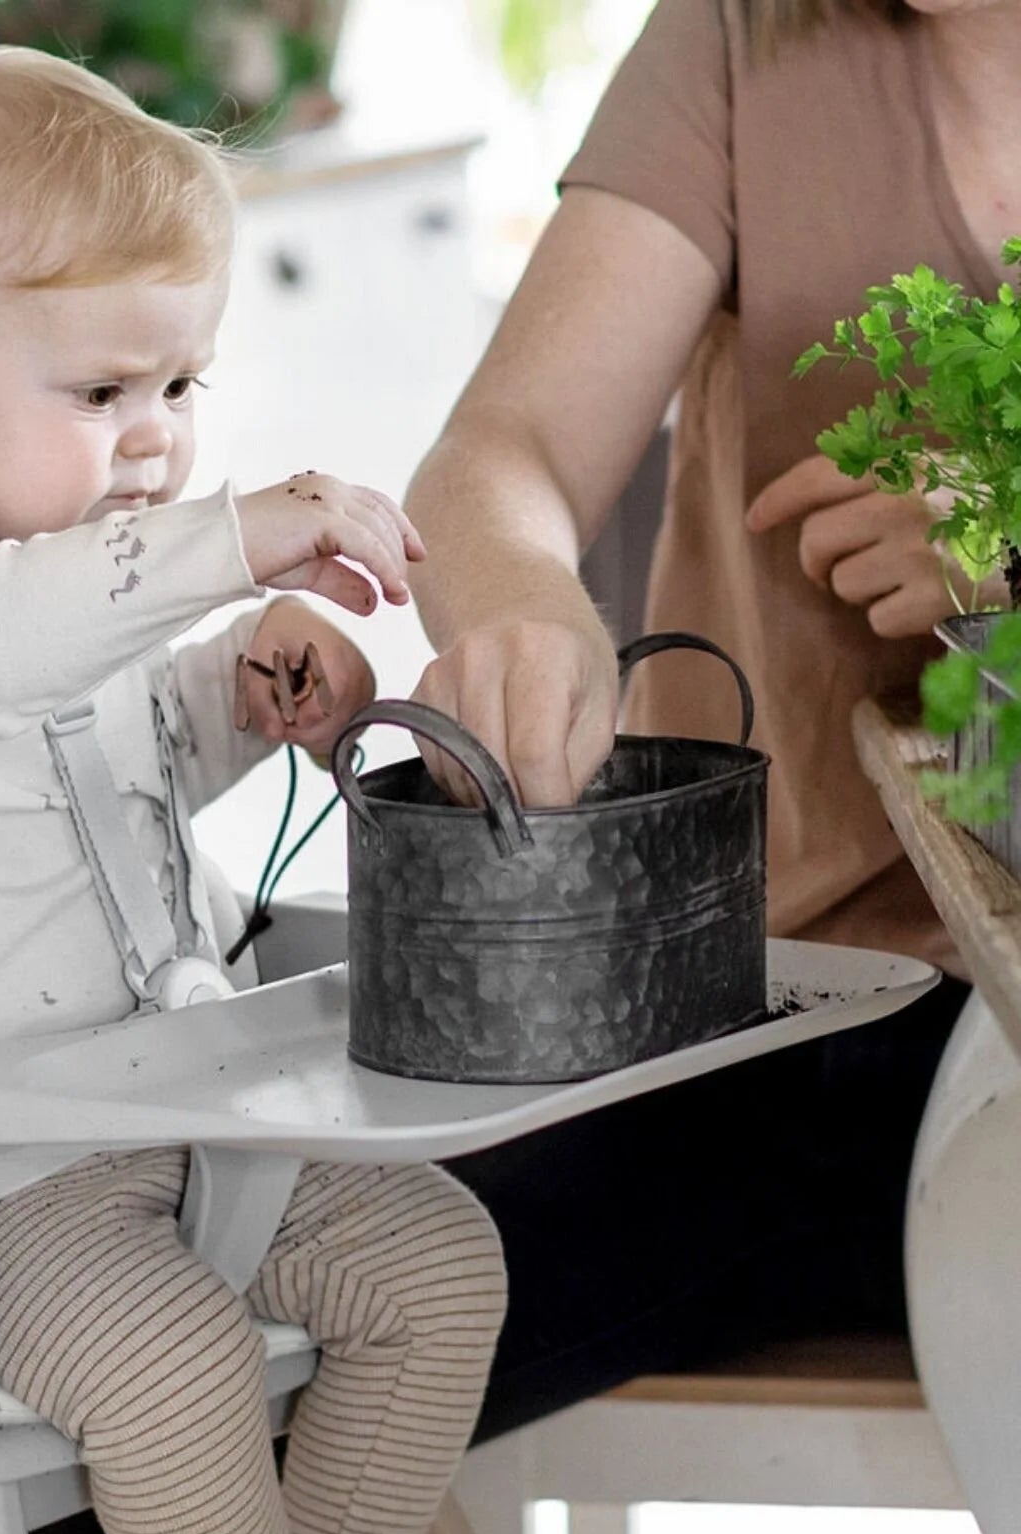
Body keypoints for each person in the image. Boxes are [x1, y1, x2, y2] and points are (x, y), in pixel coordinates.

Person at [0, 49, 506, 1534]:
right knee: (174, 1366)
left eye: (180, 387)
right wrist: (232, 542)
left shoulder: (80, 589)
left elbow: (118, 771)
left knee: (440, 1267)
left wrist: (246, 690)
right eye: (103, 392)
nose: (158, 437)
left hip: (175, 1125)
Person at [403, 0, 1005, 1442]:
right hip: (782, 1006)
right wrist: (525, 605)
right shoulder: (745, 36)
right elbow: (508, 449)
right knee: (272, 1346)